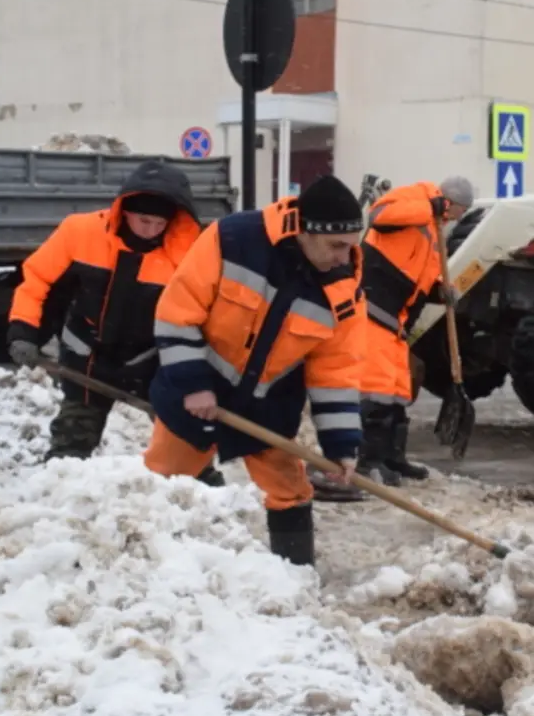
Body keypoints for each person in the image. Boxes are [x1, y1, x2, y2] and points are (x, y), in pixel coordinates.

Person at [142, 175, 367, 566]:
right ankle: (144, 561)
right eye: (337, 246)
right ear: (305, 231)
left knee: (291, 490)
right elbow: (177, 314)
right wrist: (194, 386)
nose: (344, 258)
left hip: (268, 406)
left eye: (351, 247)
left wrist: (342, 445)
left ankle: (296, 573)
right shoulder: (232, 239)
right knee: (161, 483)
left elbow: (335, 372)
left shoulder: (344, 292)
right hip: (195, 395)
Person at [6, 160, 212, 473]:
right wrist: (24, 330)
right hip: (87, 356)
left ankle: (205, 494)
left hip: (153, 359)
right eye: (144, 220)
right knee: (71, 442)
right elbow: (39, 282)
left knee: (183, 441)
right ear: (125, 210)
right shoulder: (80, 232)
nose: (152, 230)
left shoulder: (190, 253)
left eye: (161, 223)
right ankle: (61, 484)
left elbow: (205, 316)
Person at [357, 177, 474, 486]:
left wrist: (440, 292)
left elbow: (422, 278)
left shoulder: (435, 232)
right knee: (377, 387)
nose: (457, 219)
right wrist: (428, 207)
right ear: (449, 202)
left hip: (395, 321)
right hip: (371, 306)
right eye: (459, 212)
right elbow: (379, 218)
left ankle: (392, 458)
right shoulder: (417, 200)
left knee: (398, 389)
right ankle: (366, 461)